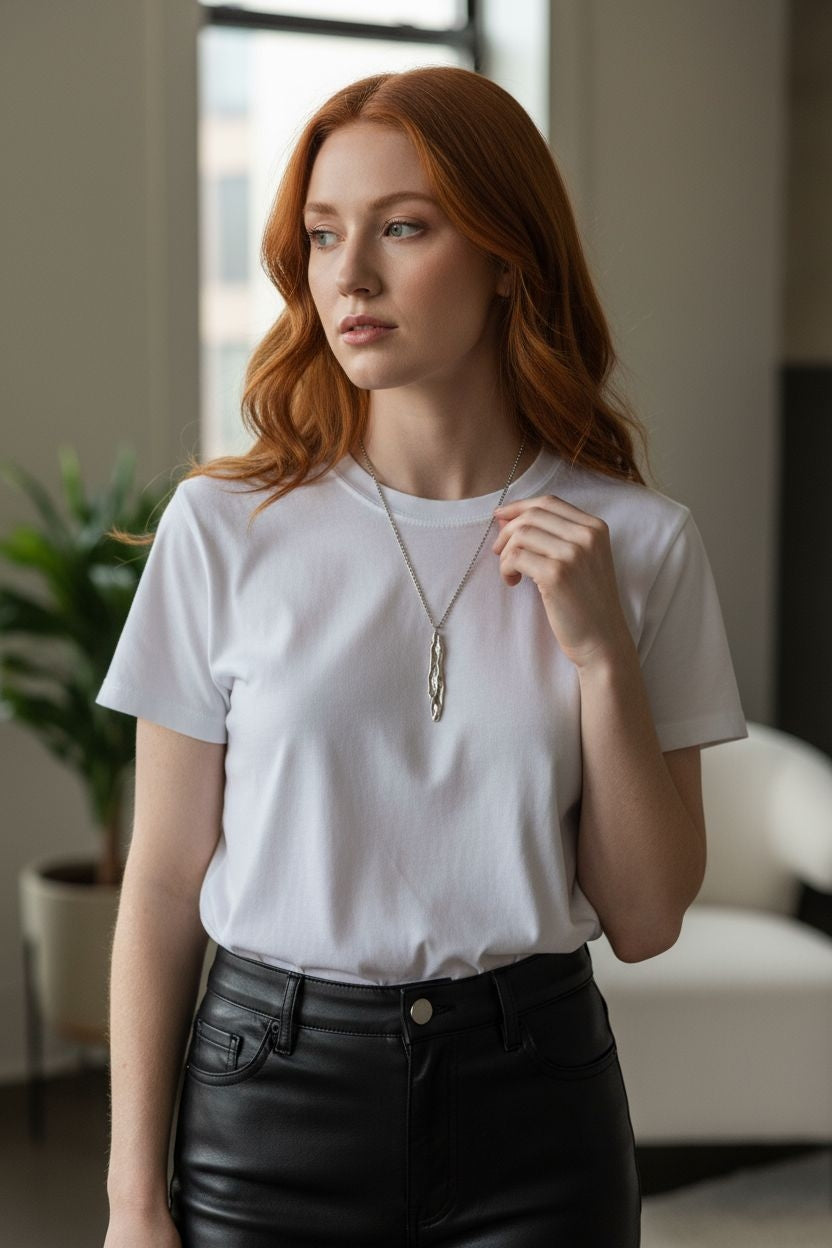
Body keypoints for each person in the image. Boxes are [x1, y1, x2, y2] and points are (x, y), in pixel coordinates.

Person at [99, 65, 748, 1248]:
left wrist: (599, 656)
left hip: (536, 1111)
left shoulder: (641, 546)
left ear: (507, 255)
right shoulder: (222, 529)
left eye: (403, 228)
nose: (349, 276)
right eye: (323, 234)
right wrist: (132, 1201)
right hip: (266, 1103)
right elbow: (158, 884)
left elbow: (646, 917)